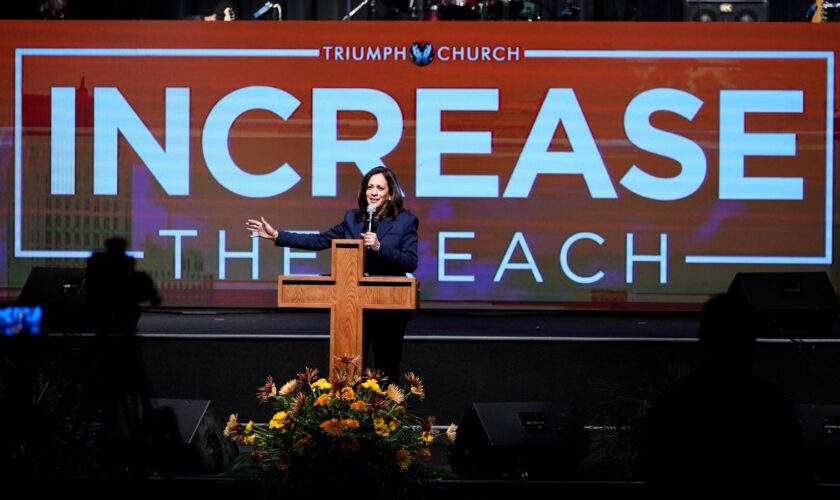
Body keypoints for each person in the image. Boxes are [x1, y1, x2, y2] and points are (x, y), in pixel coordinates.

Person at [246, 166, 418, 383]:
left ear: (390, 193)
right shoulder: (353, 219)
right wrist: (278, 236)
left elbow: (411, 261)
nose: (373, 192)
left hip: (389, 308)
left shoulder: (405, 221)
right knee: (352, 371)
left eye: (380, 188)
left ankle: (386, 417)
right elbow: (319, 241)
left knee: (386, 372)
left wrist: (379, 247)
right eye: (370, 187)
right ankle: (351, 415)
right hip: (353, 307)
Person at [642, 294, 813, 496]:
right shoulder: (771, 406)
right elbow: (795, 477)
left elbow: (657, 475)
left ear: (703, 339)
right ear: (750, 343)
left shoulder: (673, 404)